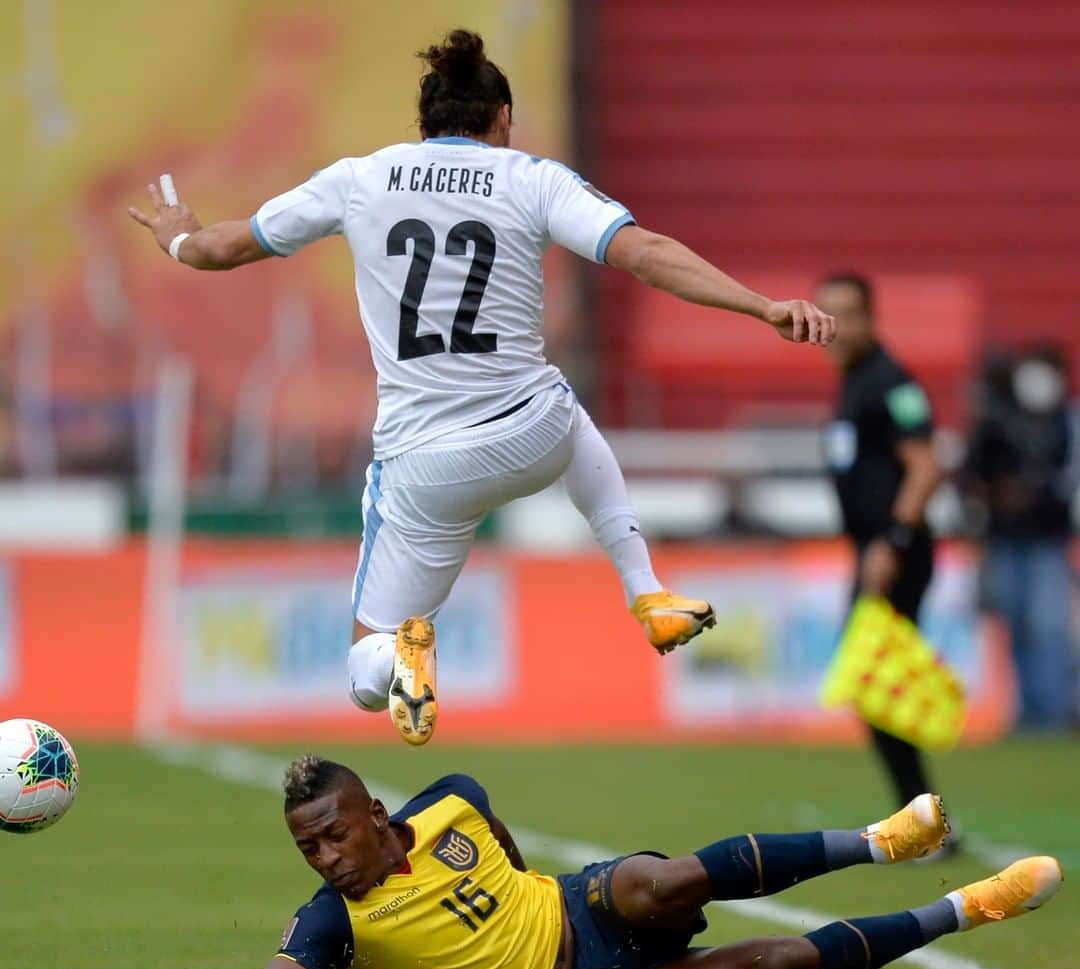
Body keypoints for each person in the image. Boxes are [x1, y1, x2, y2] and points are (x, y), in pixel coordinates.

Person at [129, 29, 837, 746]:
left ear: (422, 124)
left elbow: (224, 249)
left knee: (361, 673)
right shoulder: (533, 178)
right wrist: (761, 306)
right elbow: (647, 255)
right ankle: (646, 589)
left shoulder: (359, 178)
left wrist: (178, 238)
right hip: (532, 431)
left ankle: (403, 654)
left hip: (425, 469)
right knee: (561, 401)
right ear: (502, 119)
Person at [201, 756, 1061, 969]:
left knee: (666, 879)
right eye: (308, 847)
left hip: (581, 907)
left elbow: (499, 848)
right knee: (779, 961)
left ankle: (883, 841)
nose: (325, 858)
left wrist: (528, 889)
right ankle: (972, 906)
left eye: (334, 834)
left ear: (375, 814)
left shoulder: (451, 799)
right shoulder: (332, 922)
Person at [815, 272, 945, 809]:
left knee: (877, 686)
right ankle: (920, 814)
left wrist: (891, 541)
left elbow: (926, 466)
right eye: (825, 314)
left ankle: (922, 816)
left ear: (871, 317)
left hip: (894, 552)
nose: (834, 327)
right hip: (875, 551)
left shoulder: (890, 383)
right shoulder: (855, 382)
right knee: (876, 687)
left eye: (846, 313)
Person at [964, 343, 1078, 732]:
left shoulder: (1066, 421)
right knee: (1015, 623)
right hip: (1005, 537)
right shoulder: (997, 421)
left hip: (1047, 538)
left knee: (1047, 625)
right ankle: (1028, 711)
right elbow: (972, 472)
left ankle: (1053, 711)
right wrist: (998, 493)